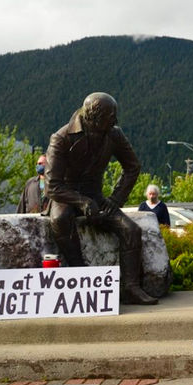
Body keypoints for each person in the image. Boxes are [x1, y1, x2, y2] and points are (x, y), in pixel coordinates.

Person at [45, 92, 157, 305]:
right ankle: (81, 277)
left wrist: (115, 200)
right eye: (110, 116)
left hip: (96, 196)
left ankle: (131, 288)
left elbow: (133, 167)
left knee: (131, 230)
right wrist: (82, 202)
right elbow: (52, 186)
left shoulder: (114, 135)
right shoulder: (61, 138)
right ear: (93, 117)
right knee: (59, 220)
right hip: (66, 197)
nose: (115, 121)